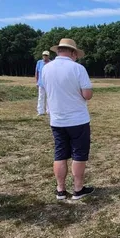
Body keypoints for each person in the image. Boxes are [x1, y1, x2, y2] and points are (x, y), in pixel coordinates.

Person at [41, 39, 94, 201]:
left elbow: (44, 91)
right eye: (76, 53)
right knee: (79, 154)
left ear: (58, 51)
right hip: (78, 119)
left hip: (57, 120)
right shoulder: (78, 68)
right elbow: (87, 95)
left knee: (60, 154)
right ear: (72, 52)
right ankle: (78, 189)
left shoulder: (46, 68)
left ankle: (60, 189)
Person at [35, 50, 50, 116]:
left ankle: (49, 111)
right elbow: (37, 72)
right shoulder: (39, 62)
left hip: (48, 83)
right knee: (41, 97)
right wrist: (37, 82)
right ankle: (40, 111)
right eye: (44, 55)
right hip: (41, 83)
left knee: (49, 97)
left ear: (48, 56)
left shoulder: (51, 63)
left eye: (46, 55)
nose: (45, 56)